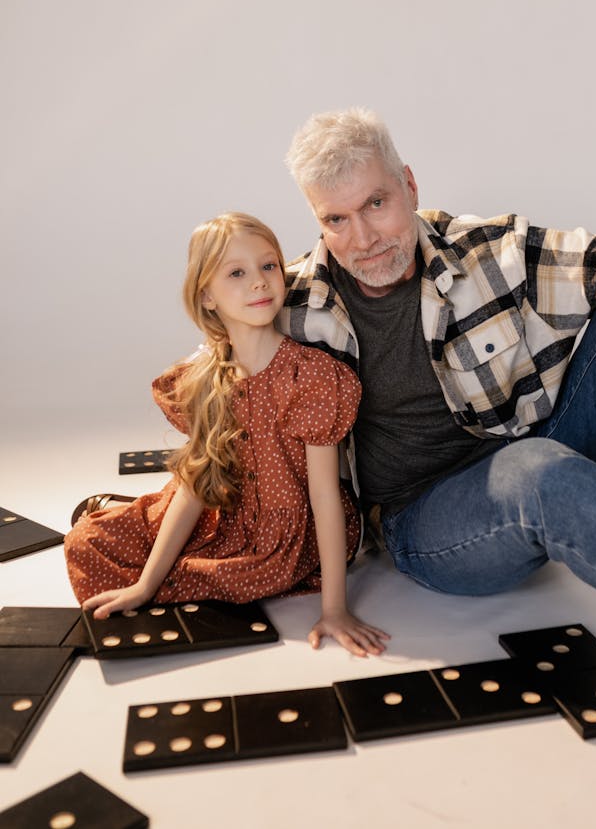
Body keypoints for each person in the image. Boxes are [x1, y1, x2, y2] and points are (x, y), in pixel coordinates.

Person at [280, 107, 596, 688]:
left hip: (532, 444)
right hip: (428, 520)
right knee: (539, 472)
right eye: (336, 218)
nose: (363, 239)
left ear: (409, 184)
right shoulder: (296, 306)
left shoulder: (490, 251)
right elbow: (212, 384)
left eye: (376, 203)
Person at [65, 211, 389, 658]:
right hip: (219, 507)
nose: (259, 282)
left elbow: (324, 496)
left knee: (237, 577)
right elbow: (198, 486)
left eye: (268, 266)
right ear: (208, 296)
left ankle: (119, 513)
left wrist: (335, 608)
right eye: (236, 273)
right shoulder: (204, 377)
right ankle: (123, 517)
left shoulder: (310, 377)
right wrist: (145, 585)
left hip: (279, 533)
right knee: (86, 541)